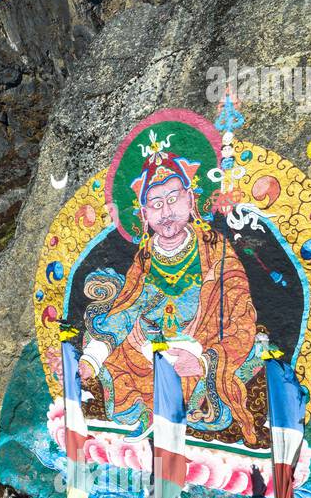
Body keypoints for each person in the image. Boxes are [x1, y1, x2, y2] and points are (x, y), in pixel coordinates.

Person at [77, 138, 265, 446]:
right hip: (148, 347)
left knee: (248, 352)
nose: (166, 212)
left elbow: (239, 311)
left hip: (199, 344)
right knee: (99, 344)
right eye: (155, 204)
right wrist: (92, 358)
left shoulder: (214, 249)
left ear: (191, 200)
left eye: (173, 198)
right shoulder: (146, 256)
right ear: (144, 216)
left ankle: (184, 416)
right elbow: (127, 310)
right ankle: (147, 418)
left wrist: (204, 361)